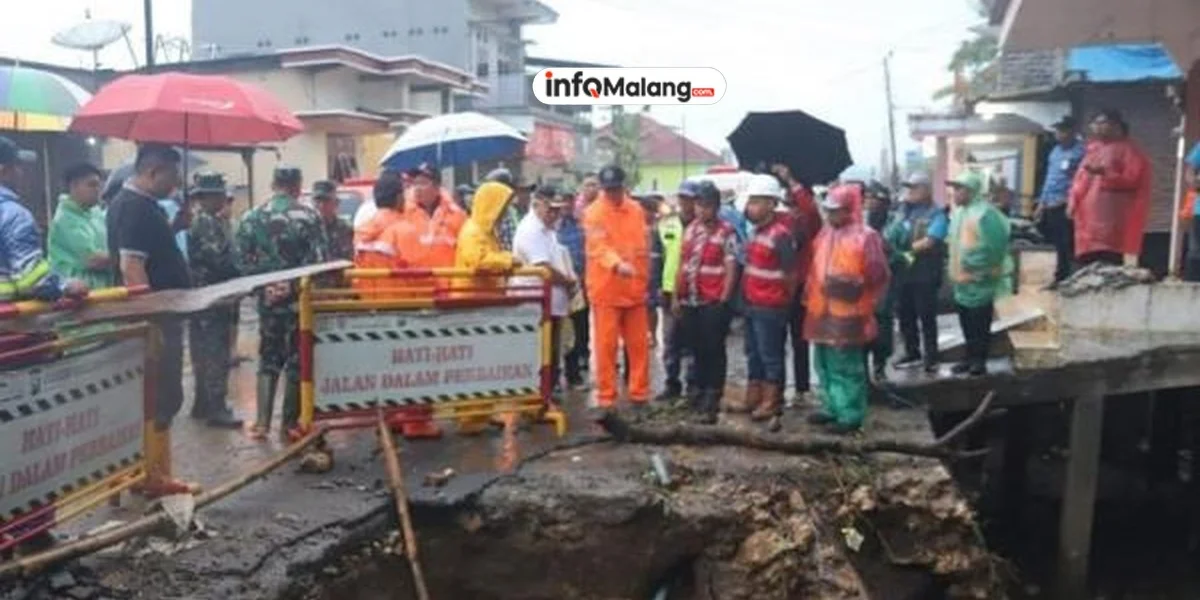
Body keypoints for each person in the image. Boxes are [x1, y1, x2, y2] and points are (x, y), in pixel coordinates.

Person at [106, 143, 192, 496]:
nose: (177, 183)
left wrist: (174, 227)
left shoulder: (136, 205)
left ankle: (146, 471)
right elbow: (132, 266)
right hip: (154, 319)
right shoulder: (135, 208)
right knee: (162, 395)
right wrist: (150, 322)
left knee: (153, 396)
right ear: (153, 172)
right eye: (173, 175)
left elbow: (147, 252)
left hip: (159, 314)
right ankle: (154, 475)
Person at [236, 166, 328, 440]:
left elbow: (240, 262)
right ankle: (289, 423)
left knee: (268, 358)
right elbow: (319, 262)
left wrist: (265, 287)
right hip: (299, 302)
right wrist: (291, 286)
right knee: (297, 360)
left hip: (268, 303)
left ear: (273, 184)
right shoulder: (309, 217)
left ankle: (262, 423)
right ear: (298, 186)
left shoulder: (251, 218)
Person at [804, 185, 891, 434]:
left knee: (846, 366)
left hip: (849, 312)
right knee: (823, 362)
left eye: (836, 210)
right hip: (821, 310)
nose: (831, 215)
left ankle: (850, 414)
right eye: (829, 210)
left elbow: (878, 274)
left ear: (849, 209)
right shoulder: (825, 234)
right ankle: (831, 406)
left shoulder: (866, 236)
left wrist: (854, 286)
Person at [453, 180, 522, 433]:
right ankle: (470, 417)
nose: (504, 213)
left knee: (484, 363)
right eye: (501, 206)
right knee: (472, 363)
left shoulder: (486, 232)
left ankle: (481, 412)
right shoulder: (473, 232)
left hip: (483, 304)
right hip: (471, 305)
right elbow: (478, 262)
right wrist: (507, 260)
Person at [584, 165, 650, 415]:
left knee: (639, 346)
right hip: (607, 290)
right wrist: (616, 264)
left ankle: (639, 395)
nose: (612, 194)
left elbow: (642, 247)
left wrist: (644, 279)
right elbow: (598, 246)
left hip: (634, 289)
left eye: (616, 189)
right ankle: (607, 398)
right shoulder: (594, 213)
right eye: (608, 190)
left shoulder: (636, 210)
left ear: (624, 187)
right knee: (606, 347)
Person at [672, 181, 739, 424]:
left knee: (714, 349)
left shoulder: (726, 232)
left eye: (707, 206)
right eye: (699, 205)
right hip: (690, 299)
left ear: (716, 207)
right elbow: (682, 264)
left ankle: (713, 395)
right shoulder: (691, 230)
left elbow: (731, 267)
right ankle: (698, 391)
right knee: (696, 348)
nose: (702, 210)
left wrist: (724, 299)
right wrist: (676, 296)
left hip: (713, 300)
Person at [185, 171, 243, 429]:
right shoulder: (205, 223)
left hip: (209, 296)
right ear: (206, 197)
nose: (222, 199)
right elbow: (217, 259)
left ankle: (203, 403)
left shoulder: (212, 221)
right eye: (218, 195)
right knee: (214, 352)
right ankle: (215, 407)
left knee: (203, 350)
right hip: (211, 296)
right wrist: (242, 271)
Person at [739, 174, 796, 422]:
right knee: (753, 353)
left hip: (771, 306)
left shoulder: (781, 235)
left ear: (772, 204)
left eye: (756, 202)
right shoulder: (755, 233)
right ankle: (754, 396)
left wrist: (783, 301)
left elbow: (790, 274)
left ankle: (772, 401)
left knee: (770, 355)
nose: (750, 207)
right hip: (753, 303)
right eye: (750, 201)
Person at [946, 171, 1012, 377]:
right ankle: (968, 357)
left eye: (959, 189)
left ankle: (979, 361)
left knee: (980, 325)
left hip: (980, 281)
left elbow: (996, 248)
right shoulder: (959, 214)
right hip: (962, 282)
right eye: (954, 189)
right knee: (966, 324)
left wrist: (980, 269)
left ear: (971, 191)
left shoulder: (985, 214)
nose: (954, 193)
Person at [513, 186, 577, 393]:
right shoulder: (531, 230)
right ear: (537, 205)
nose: (554, 215)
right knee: (542, 351)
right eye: (550, 210)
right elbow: (543, 267)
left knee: (552, 349)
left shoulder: (547, 227)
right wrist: (567, 281)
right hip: (537, 302)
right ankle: (541, 393)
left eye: (558, 210)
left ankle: (548, 390)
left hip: (553, 301)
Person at [1068, 109, 1151, 267]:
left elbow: (1132, 179)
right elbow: (1080, 181)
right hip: (1087, 221)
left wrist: (1106, 173)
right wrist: (1073, 201)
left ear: (1117, 126)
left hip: (1111, 221)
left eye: (1102, 123)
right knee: (1086, 263)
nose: (1097, 127)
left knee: (1107, 262)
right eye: (1094, 123)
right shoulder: (1092, 150)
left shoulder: (1129, 150)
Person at [885, 172, 948, 374]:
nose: (910, 192)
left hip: (925, 274)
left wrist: (906, 251)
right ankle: (912, 352)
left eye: (914, 188)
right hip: (903, 273)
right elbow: (889, 233)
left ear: (926, 190)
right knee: (905, 314)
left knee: (926, 316)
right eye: (909, 188)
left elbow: (931, 240)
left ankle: (931, 356)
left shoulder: (936, 214)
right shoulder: (902, 212)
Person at [772, 163, 822, 402]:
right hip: (779, 286)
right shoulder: (781, 222)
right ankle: (776, 388)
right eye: (788, 204)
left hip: (801, 285)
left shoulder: (809, 222)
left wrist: (791, 179)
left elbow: (809, 209)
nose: (791, 208)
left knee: (800, 339)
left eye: (794, 204)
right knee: (776, 340)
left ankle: (802, 387)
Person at [656, 182, 699, 402]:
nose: (685, 203)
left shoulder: (702, 225)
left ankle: (693, 384)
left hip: (694, 291)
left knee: (692, 341)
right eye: (682, 198)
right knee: (670, 341)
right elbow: (657, 257)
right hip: (668, 289)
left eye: (689, 198)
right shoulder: (666, 224)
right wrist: (657, 285)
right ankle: (671, 383)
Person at [394, 163, 467, 287]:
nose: (417, 188)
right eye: (415, 183)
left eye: (422, 183)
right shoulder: (403, 214)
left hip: (448, 287)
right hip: (415, 288)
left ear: (437, 187)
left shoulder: (456, 214)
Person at [48, 162, 113, 290]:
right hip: (76, 293)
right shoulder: (65, 220)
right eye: (92, 185)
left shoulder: (96, 212)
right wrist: (124, 256)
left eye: (99, 185)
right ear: (74, 186)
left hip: (103, 288)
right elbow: (92, 260)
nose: (97, 190)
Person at [1036, 116, 1085, 286]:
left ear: (1073, 131)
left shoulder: (1081, 152)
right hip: (1051, 202)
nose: (1059, 134)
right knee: (1057, 243)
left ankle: (1073, 278)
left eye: (1063, 130)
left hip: (1068, 204)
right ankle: (1060, 277)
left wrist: (1069, 200)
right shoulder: (1055, 151)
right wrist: (1041, 203)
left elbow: (1083, 180)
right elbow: (1050, 178)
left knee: (1069, 242)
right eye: (1057, 130)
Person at [864, 183, 898, 381]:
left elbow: (899, 249)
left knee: (882, 323)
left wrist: (887, 248)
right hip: (863, 280)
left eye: (874, 199)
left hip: (884, 280)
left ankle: (880, 365)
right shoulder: (861, 222)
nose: (870, 203)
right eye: (868, 199)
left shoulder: (893, 223)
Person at [557, 183, 590, 389]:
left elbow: (587, 252)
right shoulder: (551, 227)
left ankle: (575, 370)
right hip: (558, 284)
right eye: (563, 200)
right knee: (559, 331)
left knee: (579, 326)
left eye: (570, 199)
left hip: (579, 282)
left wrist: (584, 278)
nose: (566, 204)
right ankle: (556, 375)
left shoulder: (580, 224)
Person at [311, 180, 353, 288]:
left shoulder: (346, 229)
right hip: (313, 291)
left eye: (326, 201)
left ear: (336, 203)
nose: (321, 205)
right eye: (317, 201)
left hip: (340, 289)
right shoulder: (307, 228)